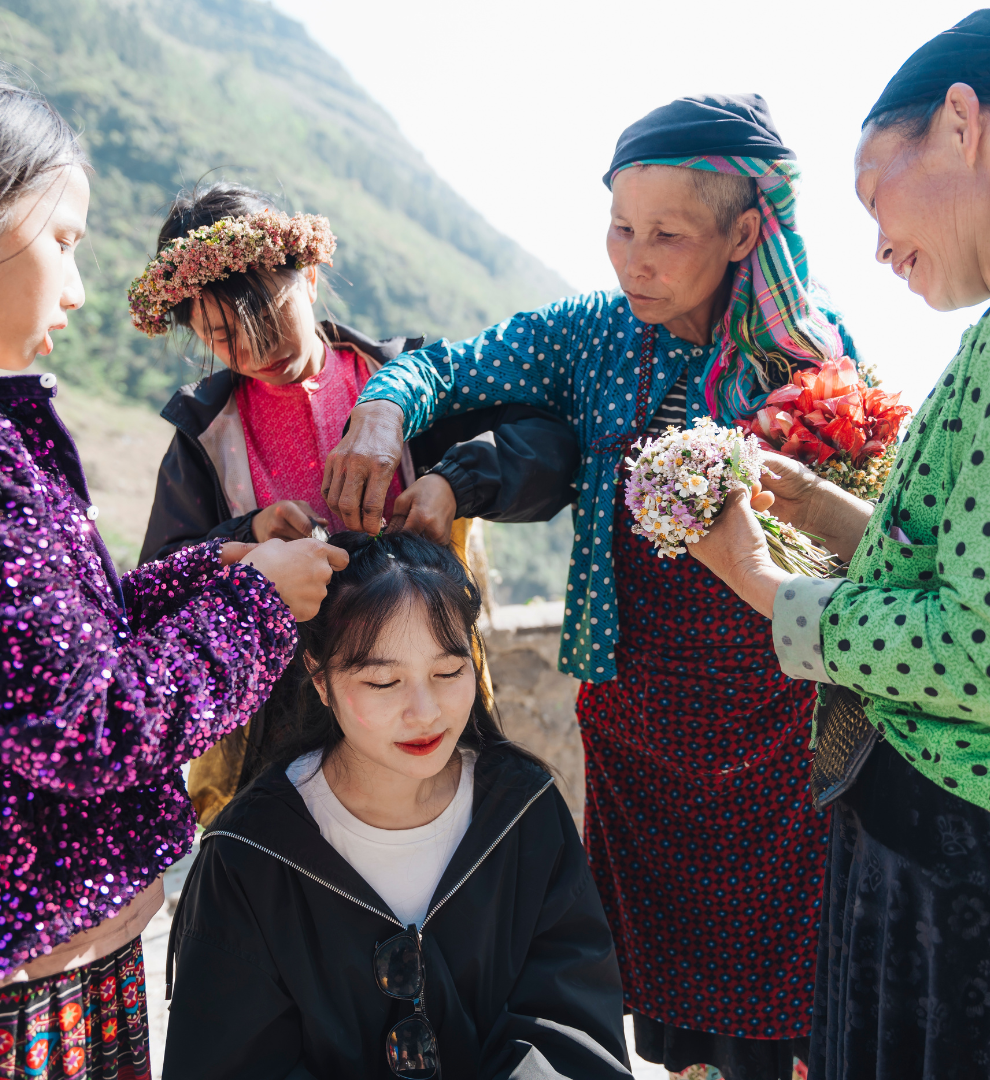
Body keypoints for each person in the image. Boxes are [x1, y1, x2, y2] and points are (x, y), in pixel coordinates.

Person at [321, 94, 862, 1080]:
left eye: (667, 235)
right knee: (671, 999)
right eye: (620, 228)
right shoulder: (593, 338)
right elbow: (446, 370)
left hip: (778, 729)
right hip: (640, 725)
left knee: (793, 993)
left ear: (745, 234)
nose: (634, 261)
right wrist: (382, 412)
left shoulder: (814, 367)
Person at [0, 55, 343, 1079]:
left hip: (14, 965)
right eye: (63, 241)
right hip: (0, 998)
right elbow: (89, 721)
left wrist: (218, 564)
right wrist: (257, 602)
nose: (75, 286)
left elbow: (44, 644)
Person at [684, 12, 990, 1078]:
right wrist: (821, 509)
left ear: (963, 126)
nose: (877, 245)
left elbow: (977, 650)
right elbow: (955, 572)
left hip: (954, 884)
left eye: (873, 194)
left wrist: (767, 586)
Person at [134, 182, 579, 823]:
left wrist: (455, 484)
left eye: (270, 317)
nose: (256, 351)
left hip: (424, 697)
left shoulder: (408, 382)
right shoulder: (206, 435)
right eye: (224, 336)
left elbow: (553, 448)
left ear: (310, 277)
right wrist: (248, 533)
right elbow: (161, 579)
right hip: (280, 722)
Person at [162, 531, 632, 1080]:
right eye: (384, 681)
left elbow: (571, 1017)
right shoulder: (250, 854)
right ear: (320, 678)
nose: (425, 712)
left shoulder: (521, 810)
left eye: (448, 672)